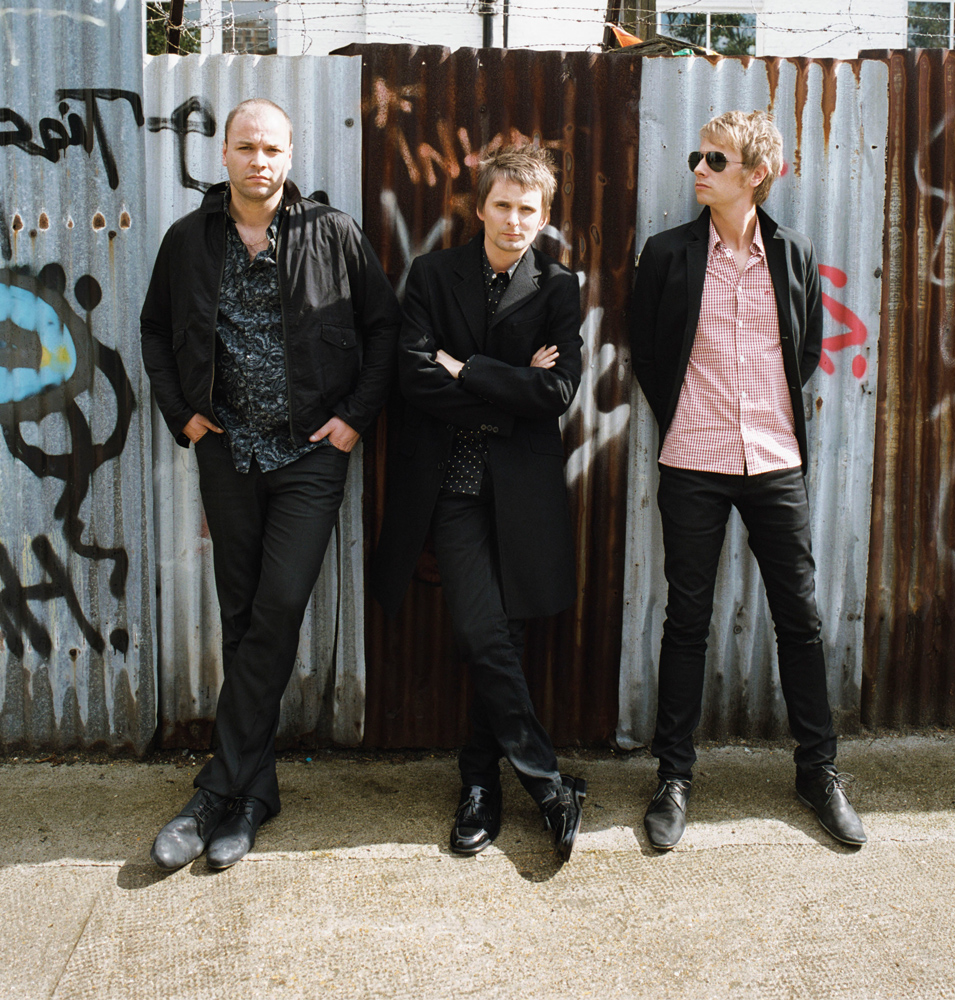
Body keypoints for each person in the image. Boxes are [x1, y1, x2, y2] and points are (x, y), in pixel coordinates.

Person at [140, 98, 400, 870]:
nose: (260, 160)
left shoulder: (333, 233)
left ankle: (215, 790)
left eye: (273, 148)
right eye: (247, 147)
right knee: (241, 615)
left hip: (309, 455)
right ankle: (254, 795)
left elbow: (385, 327)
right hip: (226, 451)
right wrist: (182, 414)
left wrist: (354, 418)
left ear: (290, 155)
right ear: (224, 154)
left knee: (278, 604)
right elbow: (155, 329)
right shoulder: (188, 240)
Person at [629, 110, 866, 850]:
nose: (699, 168)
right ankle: (673, 777)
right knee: (687, 620)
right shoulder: (667, 254)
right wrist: (686, 415)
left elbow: (804, 352)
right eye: (698, 155)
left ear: (756, 174)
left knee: (800, 617)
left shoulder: (793, 253)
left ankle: (817, 770)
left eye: (716, 159)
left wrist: (766, 420)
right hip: (692, 458)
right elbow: (647, 352)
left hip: (774, 461)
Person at [372, 145, 586, 861]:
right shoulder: (433, 275)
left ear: (544, 216)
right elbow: (413, 379)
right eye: (503, 205)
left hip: (523, 493)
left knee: (505, 638)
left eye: (528, 209)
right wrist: (509, 387)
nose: (514, 220)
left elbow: (557, 392)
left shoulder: (558, 287)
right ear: (481, 207)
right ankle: (548, 785)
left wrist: (466, 369)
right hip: (454, 487)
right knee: (480, 629)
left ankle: (479, 785)